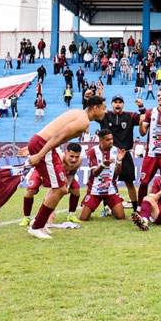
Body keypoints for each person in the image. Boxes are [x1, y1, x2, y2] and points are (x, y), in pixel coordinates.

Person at [25, 96, 107, 239]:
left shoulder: (79, 114)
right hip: (45, 146)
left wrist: (35, 147)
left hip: (43, 144)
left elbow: (53, 132)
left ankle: (39, 222)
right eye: (104, 108)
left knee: (60, 188)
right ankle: (36, 226)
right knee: (60, 189)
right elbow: (57, 136)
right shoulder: (83, 121)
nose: (105, 112)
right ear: (95, 108)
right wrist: (39, 154)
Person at [99, 95, 146, 212]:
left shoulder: (129, 116)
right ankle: (107, 208)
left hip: (124, 153)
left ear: (123, 104)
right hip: (109, 154)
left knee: (129, 182)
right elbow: (89, 112)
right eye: (115, 102)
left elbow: (143, 118)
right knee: (106, 181)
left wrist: (141, 106)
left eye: (120, 102)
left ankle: (136, 209)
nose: (118, 104)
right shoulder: (105, 115)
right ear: (112, 104)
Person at [19, 143, 83, 226]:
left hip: (62, 175)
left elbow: (71, 174)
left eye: (76, 157)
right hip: (41, 172)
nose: (74, 160)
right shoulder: (58, 160)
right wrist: (51, 218)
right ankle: (26, 217)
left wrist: (68, 186)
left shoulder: (79, 161)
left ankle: (71, 215)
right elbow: (54, 191)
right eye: (71, 156)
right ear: (65, 153)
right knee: (31, 190)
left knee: (76, 189)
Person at [79, 129, 126, 221]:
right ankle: (100, 206)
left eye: (112, 139)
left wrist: (119, 162)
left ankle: (110, 208)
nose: (111, 141)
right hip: (95, 189)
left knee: (121, 217)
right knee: (83, 218)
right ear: (101, 140)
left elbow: (118, 173)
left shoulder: (116, 151)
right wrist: (103, 165)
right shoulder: (93, 151)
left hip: (110, 189)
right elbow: (94, 173)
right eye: (107, 140)